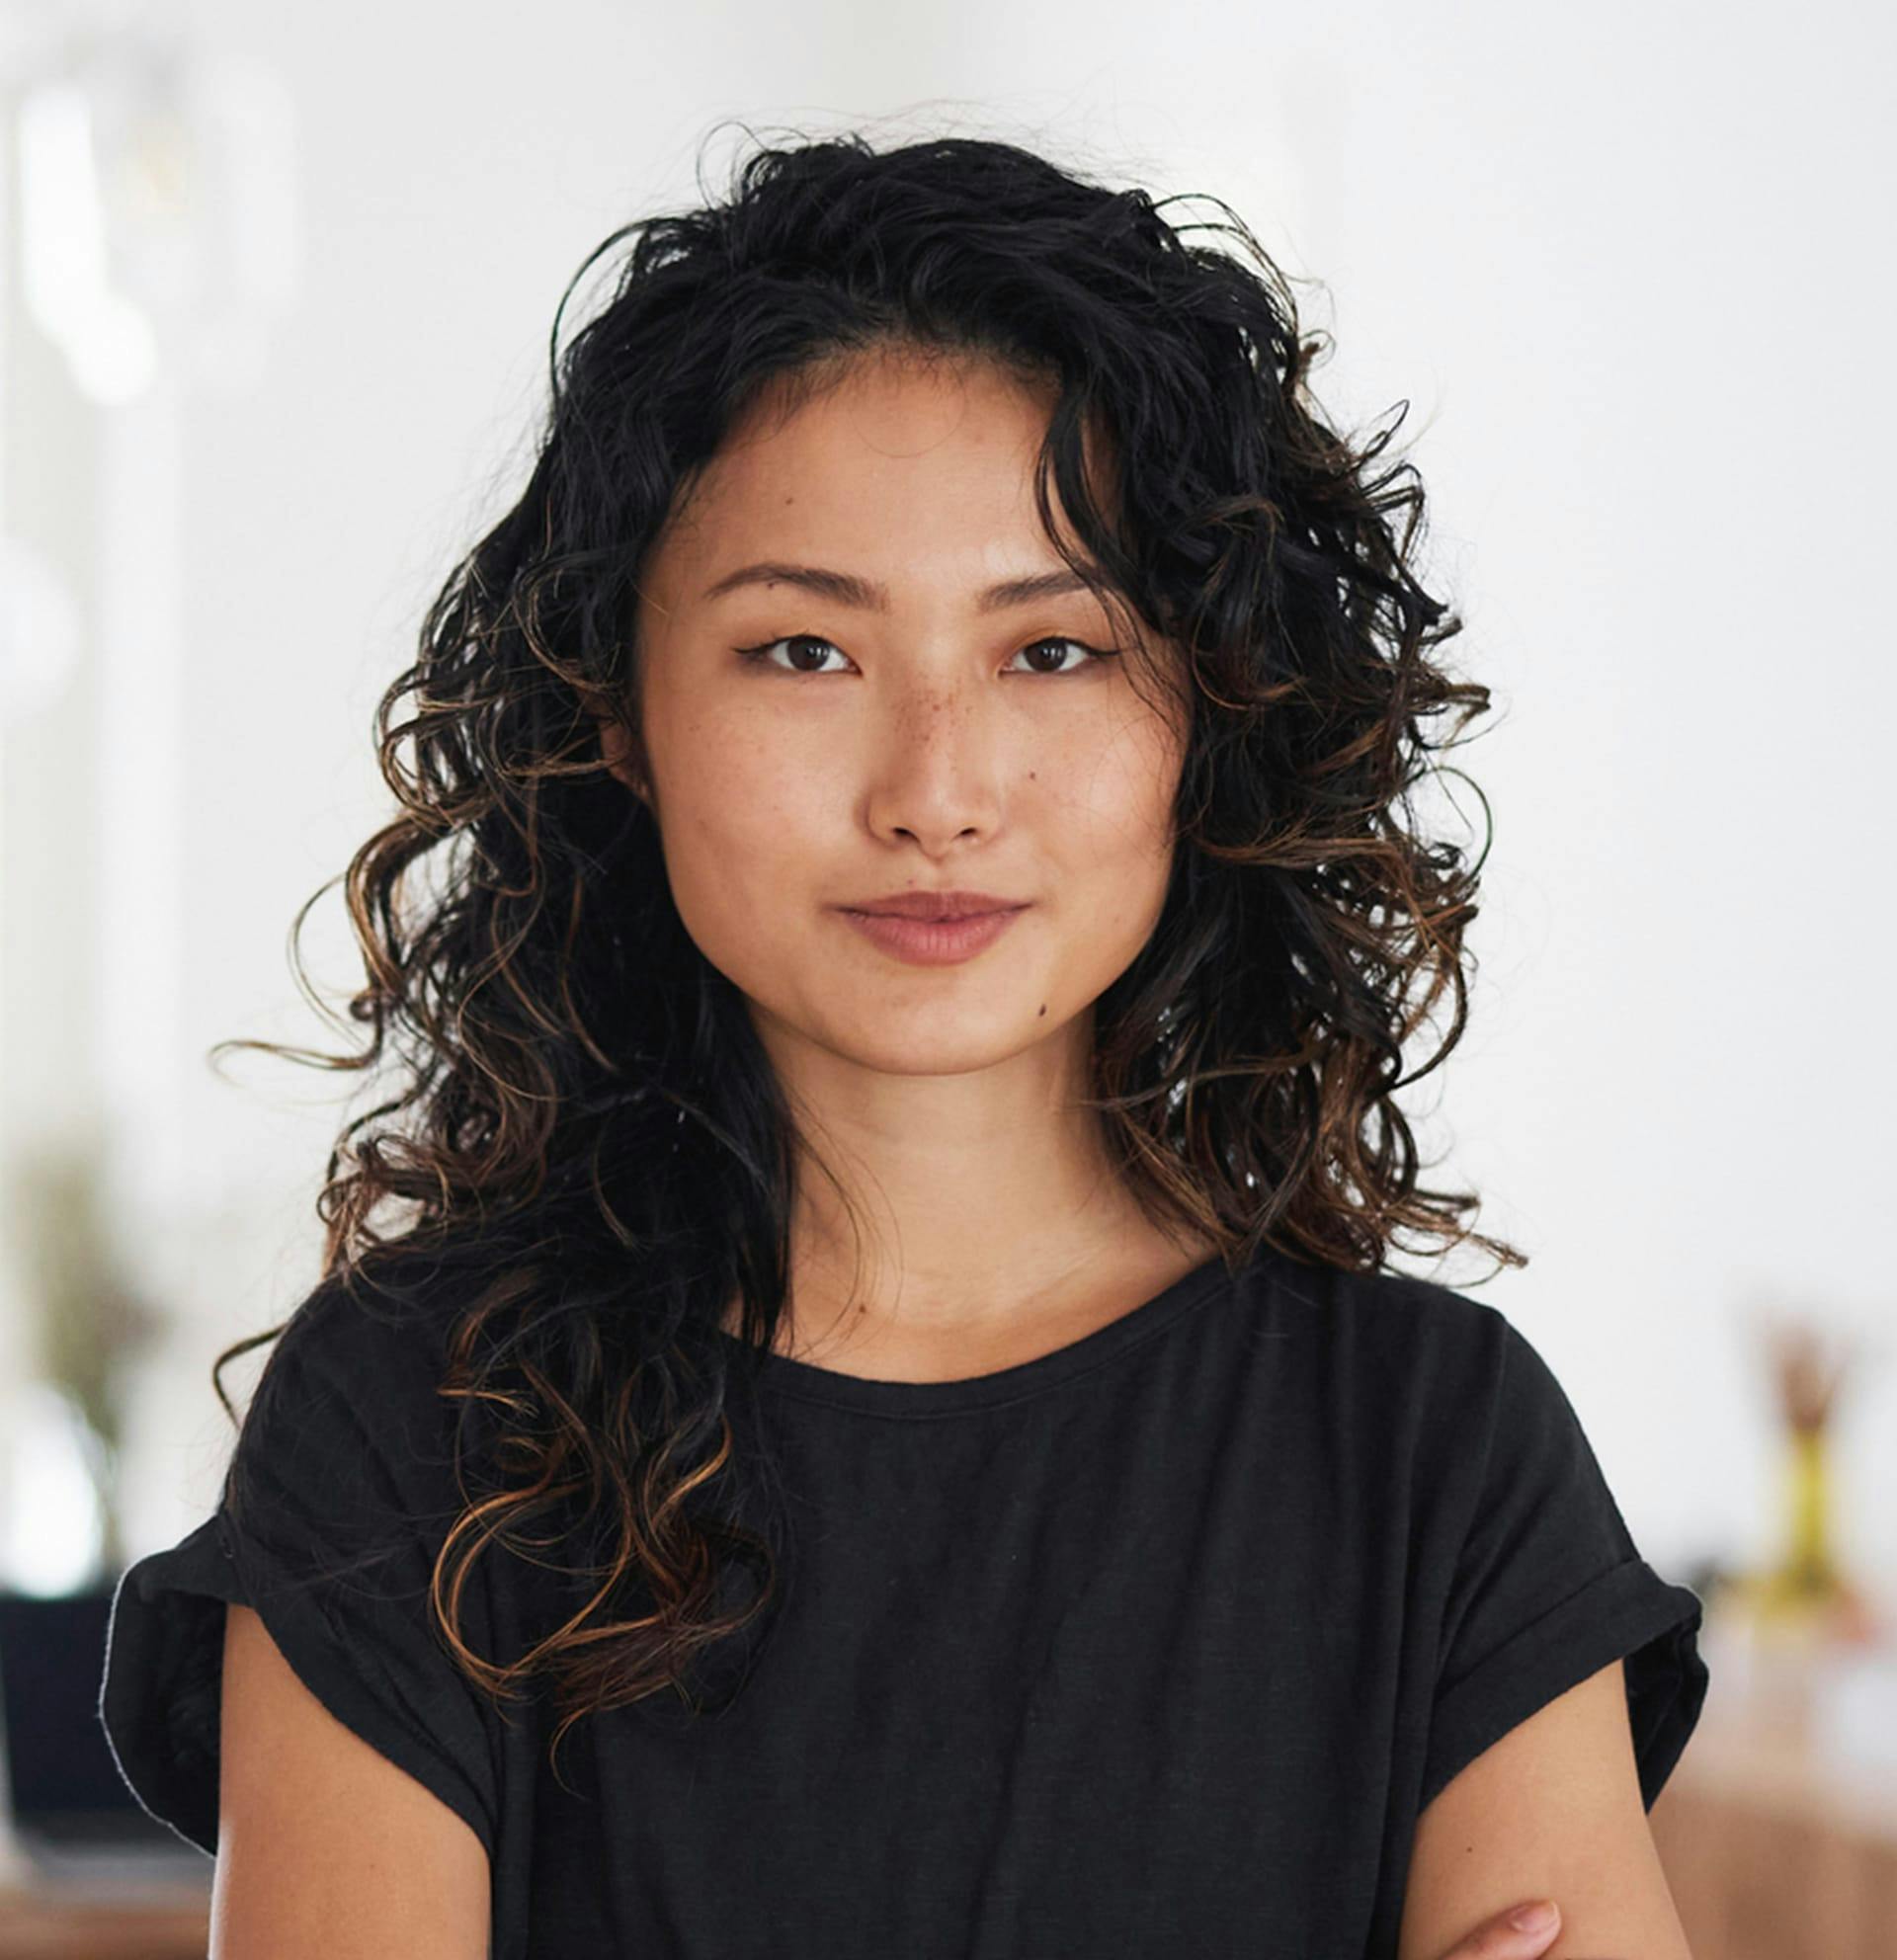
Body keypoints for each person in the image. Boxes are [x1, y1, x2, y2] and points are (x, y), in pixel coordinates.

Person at [97, 129, 1706, 1959]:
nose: (937, 792)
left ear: (1212, 714)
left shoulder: (1435, 1456)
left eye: (1055, 652)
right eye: (804, 651)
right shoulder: (407, 1432)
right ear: (619, 712)